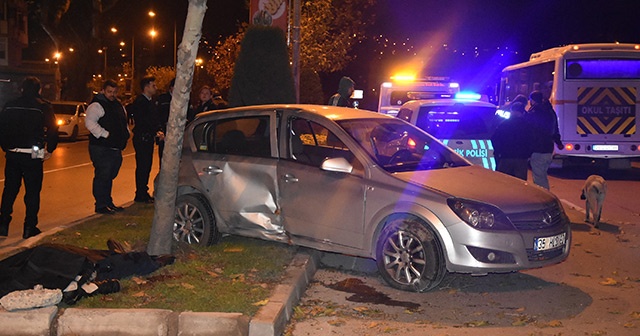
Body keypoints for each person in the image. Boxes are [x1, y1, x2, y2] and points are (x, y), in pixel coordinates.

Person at [0, 77, 58, 239]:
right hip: (34, 151)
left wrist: (6, 147)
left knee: (10, 189)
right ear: (39, 90)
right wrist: (50, 149)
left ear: (21, 89)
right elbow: (53, 129)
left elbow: (2, 127)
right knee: (33, 191)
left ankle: (3, 223)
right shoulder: (43, 106)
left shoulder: (10, 105)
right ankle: (29, 226)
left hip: (13, 151)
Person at [85, 79, 130, 215]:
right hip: (101, 147)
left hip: (115, 147)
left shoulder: (117, 105)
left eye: (115, 92)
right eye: (109, 92)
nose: (112, 94)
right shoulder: (97, 105)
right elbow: (90, 123)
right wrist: (105, 134)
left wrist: (126, 133)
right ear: (103, 90)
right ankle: (101, 204)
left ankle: (107, 201)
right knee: (103, 174)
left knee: (110, 174)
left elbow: (123, 121)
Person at [128, 76, 162, 203]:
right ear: (146, 87)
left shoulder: (150, 101)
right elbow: (143, 121)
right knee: (142, 166)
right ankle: (140, 193)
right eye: (153, 85)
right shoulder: (140, 102)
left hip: (148, 138)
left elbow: (154, 118)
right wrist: (155, 131)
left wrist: (158, 129)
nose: (155, 88)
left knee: (146, 166)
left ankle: (143, 191)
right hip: (142, 138)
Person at [526, 90, 563, 190]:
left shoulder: (534, 112)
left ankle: (544, 198)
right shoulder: (550, 112)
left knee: (539, 178)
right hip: (548, 149)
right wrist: (558, 142)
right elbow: (555, 129)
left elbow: (529, 130)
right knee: (542, 174)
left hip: (538, 149)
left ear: (532, 100)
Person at [491, 102, 533, 180]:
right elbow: (532, 141)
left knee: (504, 182)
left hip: (505, 157)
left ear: (511, 111)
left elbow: (495, 139)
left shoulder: (504, 124)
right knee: (520, 183)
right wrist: (528, 153)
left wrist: (499, 152)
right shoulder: (527, 125)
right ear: (522, 112)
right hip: (521, 158)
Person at [156, 78, 174, 164]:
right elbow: (157, 115)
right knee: (163, 159)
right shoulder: (163, 98)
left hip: (177, 134)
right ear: (171, 88)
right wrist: (160, 129)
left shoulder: (185, 100)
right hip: (164, 132)